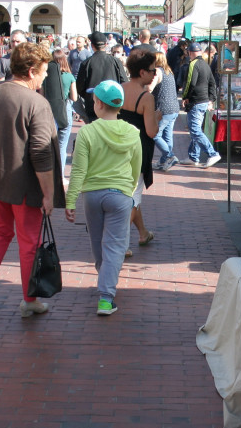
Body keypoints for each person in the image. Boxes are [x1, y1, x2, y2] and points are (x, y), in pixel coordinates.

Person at [0, 41, 64, 319]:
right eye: (44, 71)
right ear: (32, 70)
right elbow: (42, 153)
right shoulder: (36, 102)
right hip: (22, 183)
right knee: (28, 241)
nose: (46, 76)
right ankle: (29, 299)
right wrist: (48, 194)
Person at [64, 80, 141, 316]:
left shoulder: (87, 132)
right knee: (115, 246)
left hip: (92, 195)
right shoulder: (132, 132)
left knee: (98, 244)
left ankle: (105, 285)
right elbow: (135, 166)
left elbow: (78, 170)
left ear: (98, 103)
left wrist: (70, 201)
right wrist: (130, 191)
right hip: (120, 195)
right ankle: (106, 296)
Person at [118, 48, 162, 253]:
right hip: (138, 151)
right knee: (133, 197)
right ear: (142, 72)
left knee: (129, 193)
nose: (155, 74)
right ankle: (120, 242)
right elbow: (151, 131)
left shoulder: (118, 89)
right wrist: (157, 118)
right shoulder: (146, 97)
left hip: (118, 148)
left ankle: (143, 232)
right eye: (153, 70)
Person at [180, 42, 221, 168]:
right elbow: (212, 83)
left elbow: (190, 83)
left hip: (196, 101)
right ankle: (193, 156)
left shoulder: (193, 64)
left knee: (195, 130)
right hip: (203, 101)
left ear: (190, 53)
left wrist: (185, 96)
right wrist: (211, 99)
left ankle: (212, 153)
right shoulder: (205, 64)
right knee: (196, 129)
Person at [75, 31, 128, 123]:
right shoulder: (115, 61)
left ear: (92, 46)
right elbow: (124, 82)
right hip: (112, 103)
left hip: (93, 104)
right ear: (106, 44)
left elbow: (80, 87)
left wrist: (89, 96)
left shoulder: (86, 63)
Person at [151, 50, 181, 172]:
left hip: (163, 108)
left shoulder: (157, 71)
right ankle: (163, 161)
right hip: (174, 108)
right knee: (167, 136)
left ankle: (169, 156)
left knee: (155, 134)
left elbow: (150, 87)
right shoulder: (169, 72)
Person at [53, 48, 78, 169]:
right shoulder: (69, 77)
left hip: (50, 109)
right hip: (65, 108)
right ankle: (60, 175)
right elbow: (74, 97)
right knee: (62, 145)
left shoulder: (47, 76)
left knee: (49, 144)